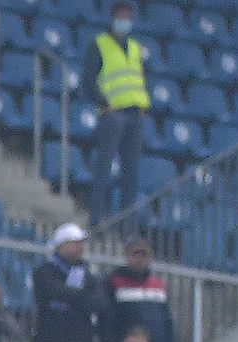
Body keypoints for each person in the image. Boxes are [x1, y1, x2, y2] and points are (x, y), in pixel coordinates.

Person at [90, 3, 153, 223]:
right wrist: (104, 103)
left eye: (129, 17)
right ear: (113, 17)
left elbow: (142, 79)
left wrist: (144, 106)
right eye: (122, 16)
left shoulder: (136, 48)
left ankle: (127, 223)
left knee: (131, 175)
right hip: (113, 114)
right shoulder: (100, 44)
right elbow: (87, 81)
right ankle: (96, 216)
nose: (125, 21)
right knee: (104, 168)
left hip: (135, 114)